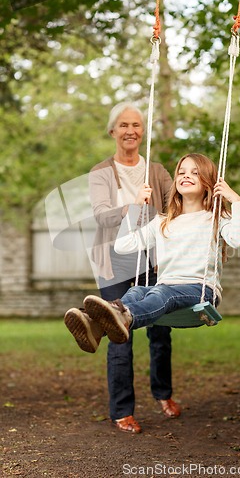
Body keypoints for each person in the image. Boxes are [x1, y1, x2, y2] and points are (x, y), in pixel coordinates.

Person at [75, 152, 240, 375]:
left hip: (200, 290)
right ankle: (96, 326)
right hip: (166, 288)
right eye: (182, 172)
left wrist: (236, 200)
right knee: (138, 290)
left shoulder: (216, 217)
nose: (186, 176)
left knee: (159, 294)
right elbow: (122, 245)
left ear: (209, 182)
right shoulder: (163, 222)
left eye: (195, 173)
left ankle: (124, 316)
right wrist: (136, 207)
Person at [64, 102, 180, 434]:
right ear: (112, 130)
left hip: (153, 260)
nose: (131, 130)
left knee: (160, 332)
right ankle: (122, 411)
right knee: (120, 336)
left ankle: (163, 394)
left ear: (143, 131)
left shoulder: (155, 171)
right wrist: (134, 206)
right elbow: (101, 215)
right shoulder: (101, 171)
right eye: (123, 125)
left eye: (137, 125)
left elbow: (176, 204)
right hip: (114, 263)